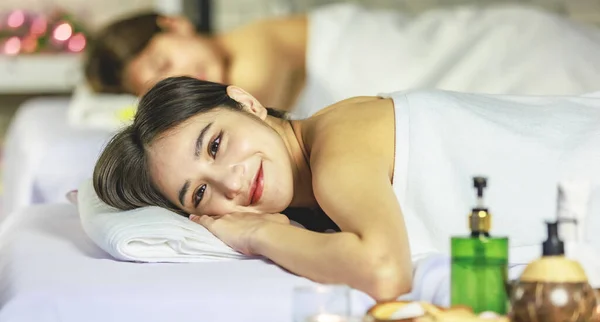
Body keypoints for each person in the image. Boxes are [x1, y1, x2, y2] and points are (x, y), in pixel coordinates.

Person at [93, 76, 600, 301]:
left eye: (217, 144)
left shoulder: (338, 148)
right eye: (200, 194)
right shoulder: (320, 190)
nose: (232, 182)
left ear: (245, 102)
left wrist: (256, 235)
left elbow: (384, 272)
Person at [84, 4, 600, 117]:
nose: (178, 79)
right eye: (154, 83)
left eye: (163, 59)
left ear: (175, 25)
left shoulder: (254, 63)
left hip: (500, 57)